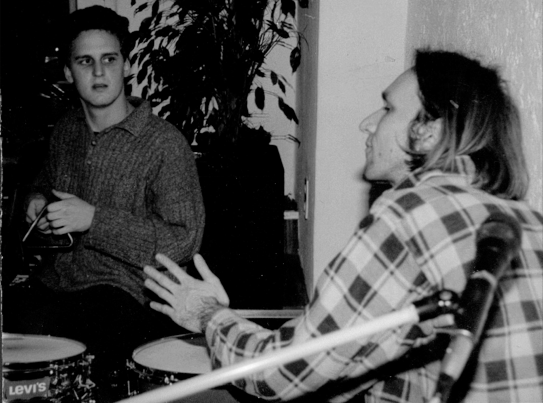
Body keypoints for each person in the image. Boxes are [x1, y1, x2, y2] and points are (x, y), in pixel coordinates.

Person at [143, 49, 543, 403]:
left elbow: (278, 375)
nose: (368, 124)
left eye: (387, 109)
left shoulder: (410, 211)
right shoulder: (529, 221)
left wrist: (208, 314)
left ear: (428, 131)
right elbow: (374, 359)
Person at [3, 4, 205, 392]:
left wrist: (94, 220)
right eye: (85, 61)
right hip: (55, 285)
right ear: (68, 73)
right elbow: (44, 182)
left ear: (126, 65)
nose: (99, 72)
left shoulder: (164, 144)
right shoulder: (67, 131)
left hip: (127, 296)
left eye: (109, 59)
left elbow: (184, 239)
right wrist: (35, 202)